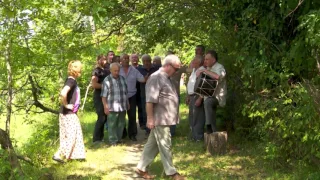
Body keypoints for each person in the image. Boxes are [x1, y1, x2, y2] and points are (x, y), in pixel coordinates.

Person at [136, 55, 185, 180]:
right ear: (168, 65)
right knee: (165, 144)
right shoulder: (156, 77)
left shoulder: (166, 77)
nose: (177, 71)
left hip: (165, 118)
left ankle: (141, 167)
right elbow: (149, 101)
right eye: (176, 68)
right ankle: (172, 173)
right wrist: (150, 119)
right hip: (160, 119)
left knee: (153, 144)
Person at [53, 60, 86, 163]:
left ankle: (74, 155)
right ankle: (59, 154)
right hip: (68, 113)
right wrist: (66, 104)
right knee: (71, 134)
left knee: (73, 133)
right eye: (80, 67)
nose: (81, 69)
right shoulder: (71, 80)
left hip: (66, 113)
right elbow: (63, 93)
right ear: (76, 69)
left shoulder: (71, 80)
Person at [197, 50, 227, 133]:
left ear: (213, 60)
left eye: (207, 59)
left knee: (208, 103)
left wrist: (205, 71)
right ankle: (213, 132)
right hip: (208, 96)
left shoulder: (220, 67)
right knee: (210, 111)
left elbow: (217, 77)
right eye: (205, 59)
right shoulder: (208, 68)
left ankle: (209, 127)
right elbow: (205, 85)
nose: (205, 61)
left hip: (217, 97)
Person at [101, 63, 129, 146]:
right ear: (110, 70)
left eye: (118, 71)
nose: (117, 72)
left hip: (122, 106)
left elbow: (125, 93)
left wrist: (127, 103)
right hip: (112, 106)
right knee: (112, 124)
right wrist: (105, 107)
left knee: (121, 123)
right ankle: (113, 140)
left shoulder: (123, 79)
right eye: (115, 71)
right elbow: (103, 96)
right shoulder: (107, 80)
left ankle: (119, 139)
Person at [120, 54, 146, 141]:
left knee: (132, 115)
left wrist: (148, 77)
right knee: (121, 115)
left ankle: (132, 134)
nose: (126, 60)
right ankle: (122, 134)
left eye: (127, 58)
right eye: (124, 58)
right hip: (120, 96)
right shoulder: (118, 69)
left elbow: (142, 79)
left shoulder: (134, 70)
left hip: (132, 96)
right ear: (121, 60)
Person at [186, 56, 206, 141]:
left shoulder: (202, 71)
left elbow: (204, 86)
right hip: (191, 96)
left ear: (199, 63)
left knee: (198, 117)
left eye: (194, 61)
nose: (192, 62)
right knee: (192, 116)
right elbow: (190, 83)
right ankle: (194, 136)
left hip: (197, 96)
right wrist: (187, 95)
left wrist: (200, 98)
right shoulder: (194, 71)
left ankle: (198, 137)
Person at [92, 55, 110, 144]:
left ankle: (101, 137)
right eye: (103, 59)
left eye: (105, 59)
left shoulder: (106, 71)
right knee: (101, 117)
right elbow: (94, 84)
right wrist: (105, 86)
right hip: (98, 96)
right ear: (98, 60)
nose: (104, 61)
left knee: (105, 117)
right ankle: (96, 138)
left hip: (106, 96)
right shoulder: (96, 71)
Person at [137, 54, 157, 135]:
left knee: (155, 111)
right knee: (146, 112)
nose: (146, 62)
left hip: (155, 93)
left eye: (148, 61)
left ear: (150, 61)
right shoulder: (139, 70)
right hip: (144, 94)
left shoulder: (156, 68)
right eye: (144, 61)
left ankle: (155, 129)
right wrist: (144, 79)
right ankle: (148, 131)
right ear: (142, 62)